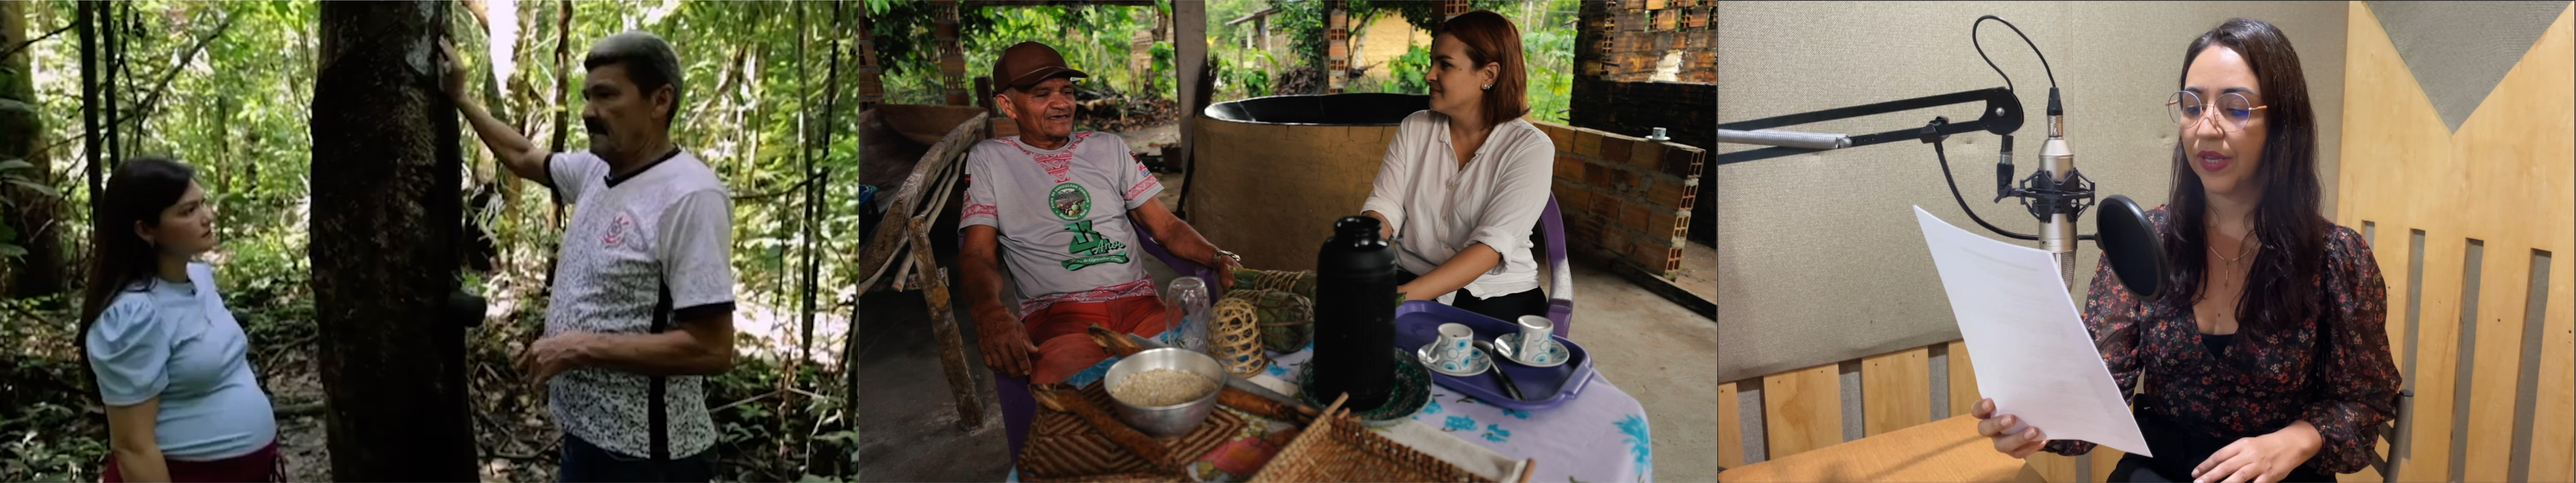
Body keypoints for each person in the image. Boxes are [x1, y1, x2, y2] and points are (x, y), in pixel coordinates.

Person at [1970, 19, 2399, 483]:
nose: (2206, 129)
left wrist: (2295, 440)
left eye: (2234, 108)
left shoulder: (2337, 257)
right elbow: (2100, 393)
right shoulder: (2142, 240)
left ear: (2282, 124)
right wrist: (2034, 425)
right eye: (2192, 106)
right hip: (2160, 470)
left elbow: (2366, 402)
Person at [441, 31, 736, 482]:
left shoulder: (690, 197)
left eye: (606, 95)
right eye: (587, 96)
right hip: (586, 440)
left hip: (648, 459)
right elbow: (522, 154)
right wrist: (461, 98)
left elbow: (712, 348)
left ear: (660, 101)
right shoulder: (596, 170)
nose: (587, 112)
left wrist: (579, 347)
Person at [962, 41, 1239, 386]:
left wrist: (1219, 257)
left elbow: (1165, 227)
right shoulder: (991, 159)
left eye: (1067, 91)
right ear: (1008, 105)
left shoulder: (1107, 147)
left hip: (1140, 306)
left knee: (1199, 379)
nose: (1062, 103)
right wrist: (987, 309)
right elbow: (977, 253)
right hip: (1059, 317)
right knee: (1078, 399)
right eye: (1042, 94)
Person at [80, 157, 284, 483]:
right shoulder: (133, 316)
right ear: (145, 229)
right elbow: (133, 448)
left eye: (203, 204)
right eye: (188, 211)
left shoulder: (200, 279)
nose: (208, 217)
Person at [1359, 10, 1556, 323]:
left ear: (1489, 75)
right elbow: (1386, 205)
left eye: (1445, 65)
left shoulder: (1530, 148)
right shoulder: (1416, 128)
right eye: (1432, 63)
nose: (1429, 75)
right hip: (1410, 275)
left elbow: (1490, 249)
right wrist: (1363, 252)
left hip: (1495, 295)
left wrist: (1398, 299)